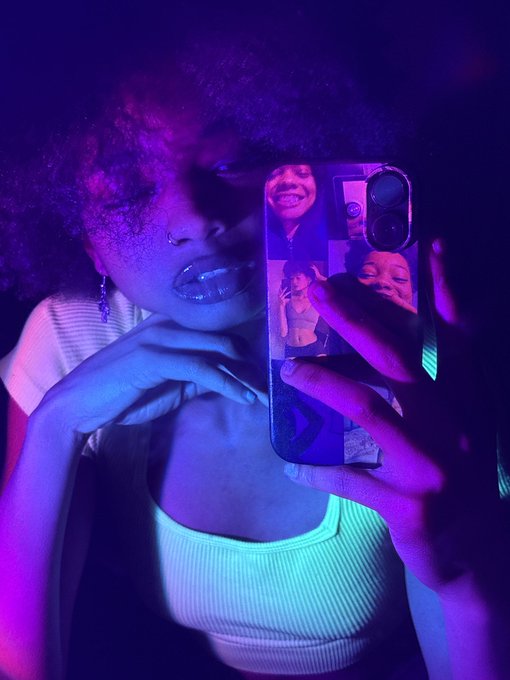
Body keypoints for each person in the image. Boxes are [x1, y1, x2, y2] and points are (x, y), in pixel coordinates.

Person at [1, 5, 509, 680]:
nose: (195, 216)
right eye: (127, 190)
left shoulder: (405, 365)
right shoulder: (71, 342)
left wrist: (468, 577)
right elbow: (22, 662)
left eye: (237, 161)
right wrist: (56, 424)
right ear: (83, 236)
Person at [278, 261, 326, 358]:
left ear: (309, 279)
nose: (294, 282)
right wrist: (281, 306)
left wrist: (320, 277)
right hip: (292, 349)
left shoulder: (317, 300)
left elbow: (338, 291)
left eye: (298, 278)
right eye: (291, 278)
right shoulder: (287, 301)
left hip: (314, 348)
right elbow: (283, 333)